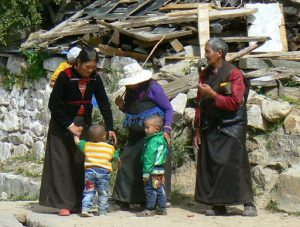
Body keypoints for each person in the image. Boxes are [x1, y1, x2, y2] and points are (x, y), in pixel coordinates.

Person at [39, 46, 117, 216]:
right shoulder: (65, 76)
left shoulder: (95, 78)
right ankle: (63, 204)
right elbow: (54, 104)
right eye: (87, 67)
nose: (90, 71)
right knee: (62, 164)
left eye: (93, 68)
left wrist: (110, 127)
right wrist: (69, 125)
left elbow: (104, 102)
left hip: (83, 124)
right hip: (62, 124)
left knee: (81, 161)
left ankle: (80, 203)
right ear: (78, 62)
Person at [193, 38, 257, 217]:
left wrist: (212, 94)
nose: (205, 55)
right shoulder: (205, 74)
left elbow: (235, 102)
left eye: (207, 51)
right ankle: (217, 203)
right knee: (213, 164)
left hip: (232, 124)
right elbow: (199, 102)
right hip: (210, 124)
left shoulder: (234, 74)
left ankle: (248, 203)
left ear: (219, 53)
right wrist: (197, 128)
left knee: (235, 163)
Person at [112, 62, 173, 209]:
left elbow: (168, 109)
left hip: (154, 136)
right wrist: (122, 107)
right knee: (127, 161)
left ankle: (152, 201)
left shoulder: (153, 88)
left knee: (151, 166)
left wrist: (166, 130)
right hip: (136, 134)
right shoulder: (130, 89)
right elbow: (134, 110)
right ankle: (124, 199)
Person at [74, 124, 119, 217]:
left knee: (89, 190)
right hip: (104, 174)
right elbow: (116, 157)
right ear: (104, 136)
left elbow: (77, 142)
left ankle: (86, 209)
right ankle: (103, 212)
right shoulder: (109, 148)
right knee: (103, 192)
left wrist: (76, 134)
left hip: (90, 173)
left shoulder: (87, 145)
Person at [137, 115, 168, 217]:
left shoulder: (152, 142)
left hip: (151, 170)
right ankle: (162, 209)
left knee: (150, 189)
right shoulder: (162, 139)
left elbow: (149, 158)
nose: (145, 130)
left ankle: (150, 209)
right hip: (159, 169)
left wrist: (146, 172)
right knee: (159, 188)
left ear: (156, 129)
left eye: (147, 128)